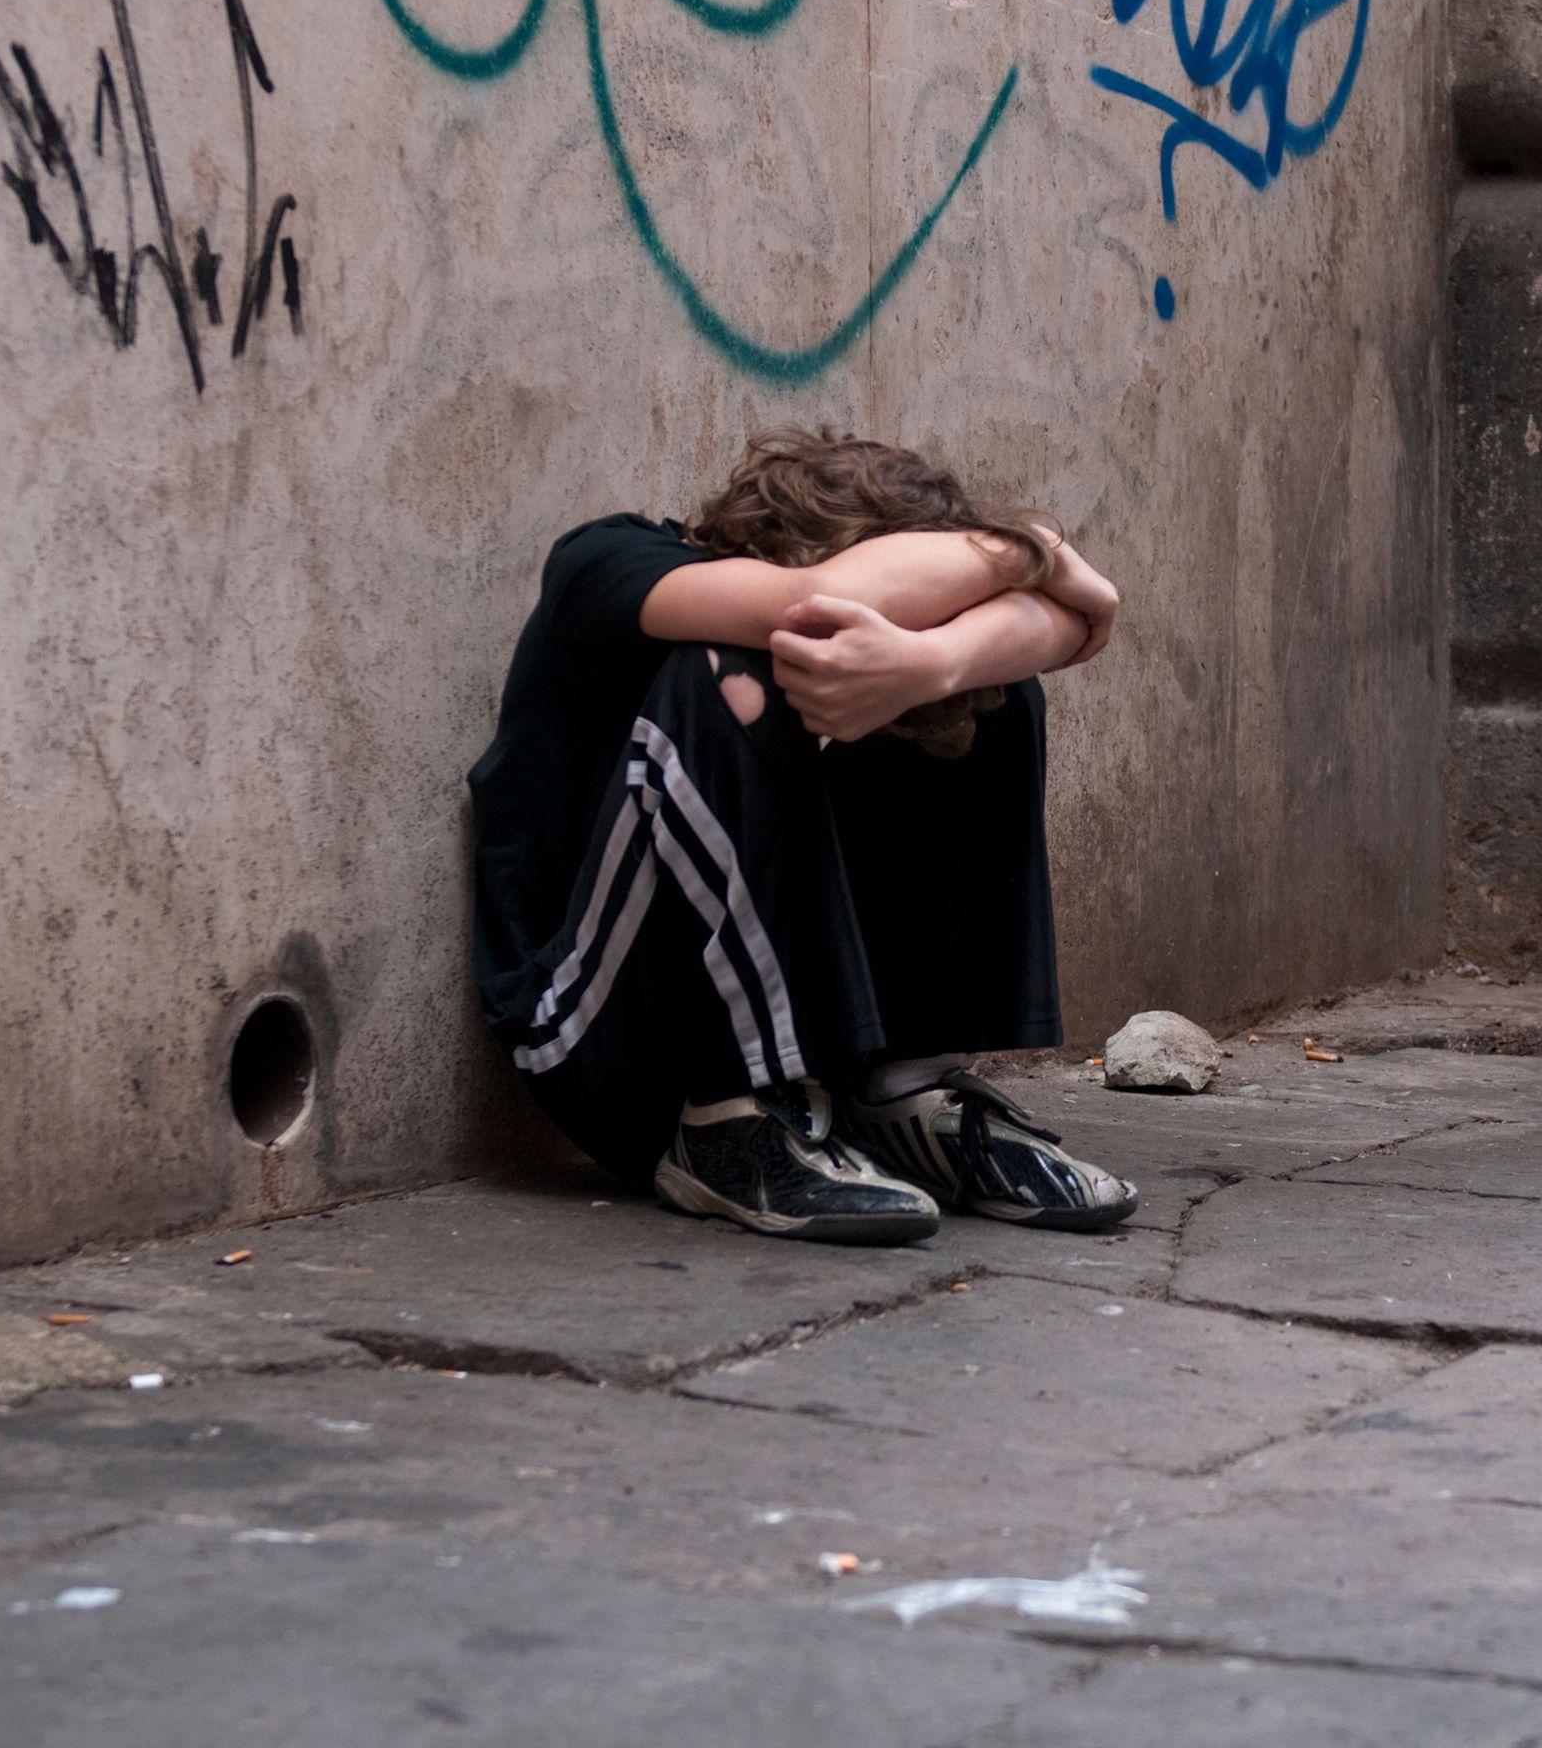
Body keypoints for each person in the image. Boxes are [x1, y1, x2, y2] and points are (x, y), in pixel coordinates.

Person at [467, 427, 1136, 1244]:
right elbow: (809, 604)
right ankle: (730, 1117)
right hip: (595, 1034)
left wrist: (937, 663)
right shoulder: (606, 562)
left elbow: (1068, 630)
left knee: (990, 689)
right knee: (741, 671)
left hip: (824, 1062)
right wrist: (1031, 547)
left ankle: (905, 1095)